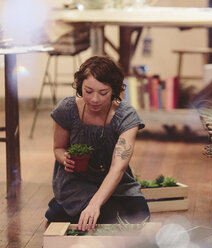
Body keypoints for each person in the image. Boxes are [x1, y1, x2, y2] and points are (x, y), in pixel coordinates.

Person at [45, 55, 149, 231]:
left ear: (114, 90)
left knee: (139, 216)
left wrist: (94, 204)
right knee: (109, 220)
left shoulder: (126, 117)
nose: (94, 99)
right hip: (76, 183)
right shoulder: (67, 109)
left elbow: (118, 168)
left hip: (116, 183)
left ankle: (63, 209)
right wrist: (66, 159)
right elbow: (58, 148)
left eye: (103, 93)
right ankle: (64, 206)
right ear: (80, 87)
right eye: (88, 91)